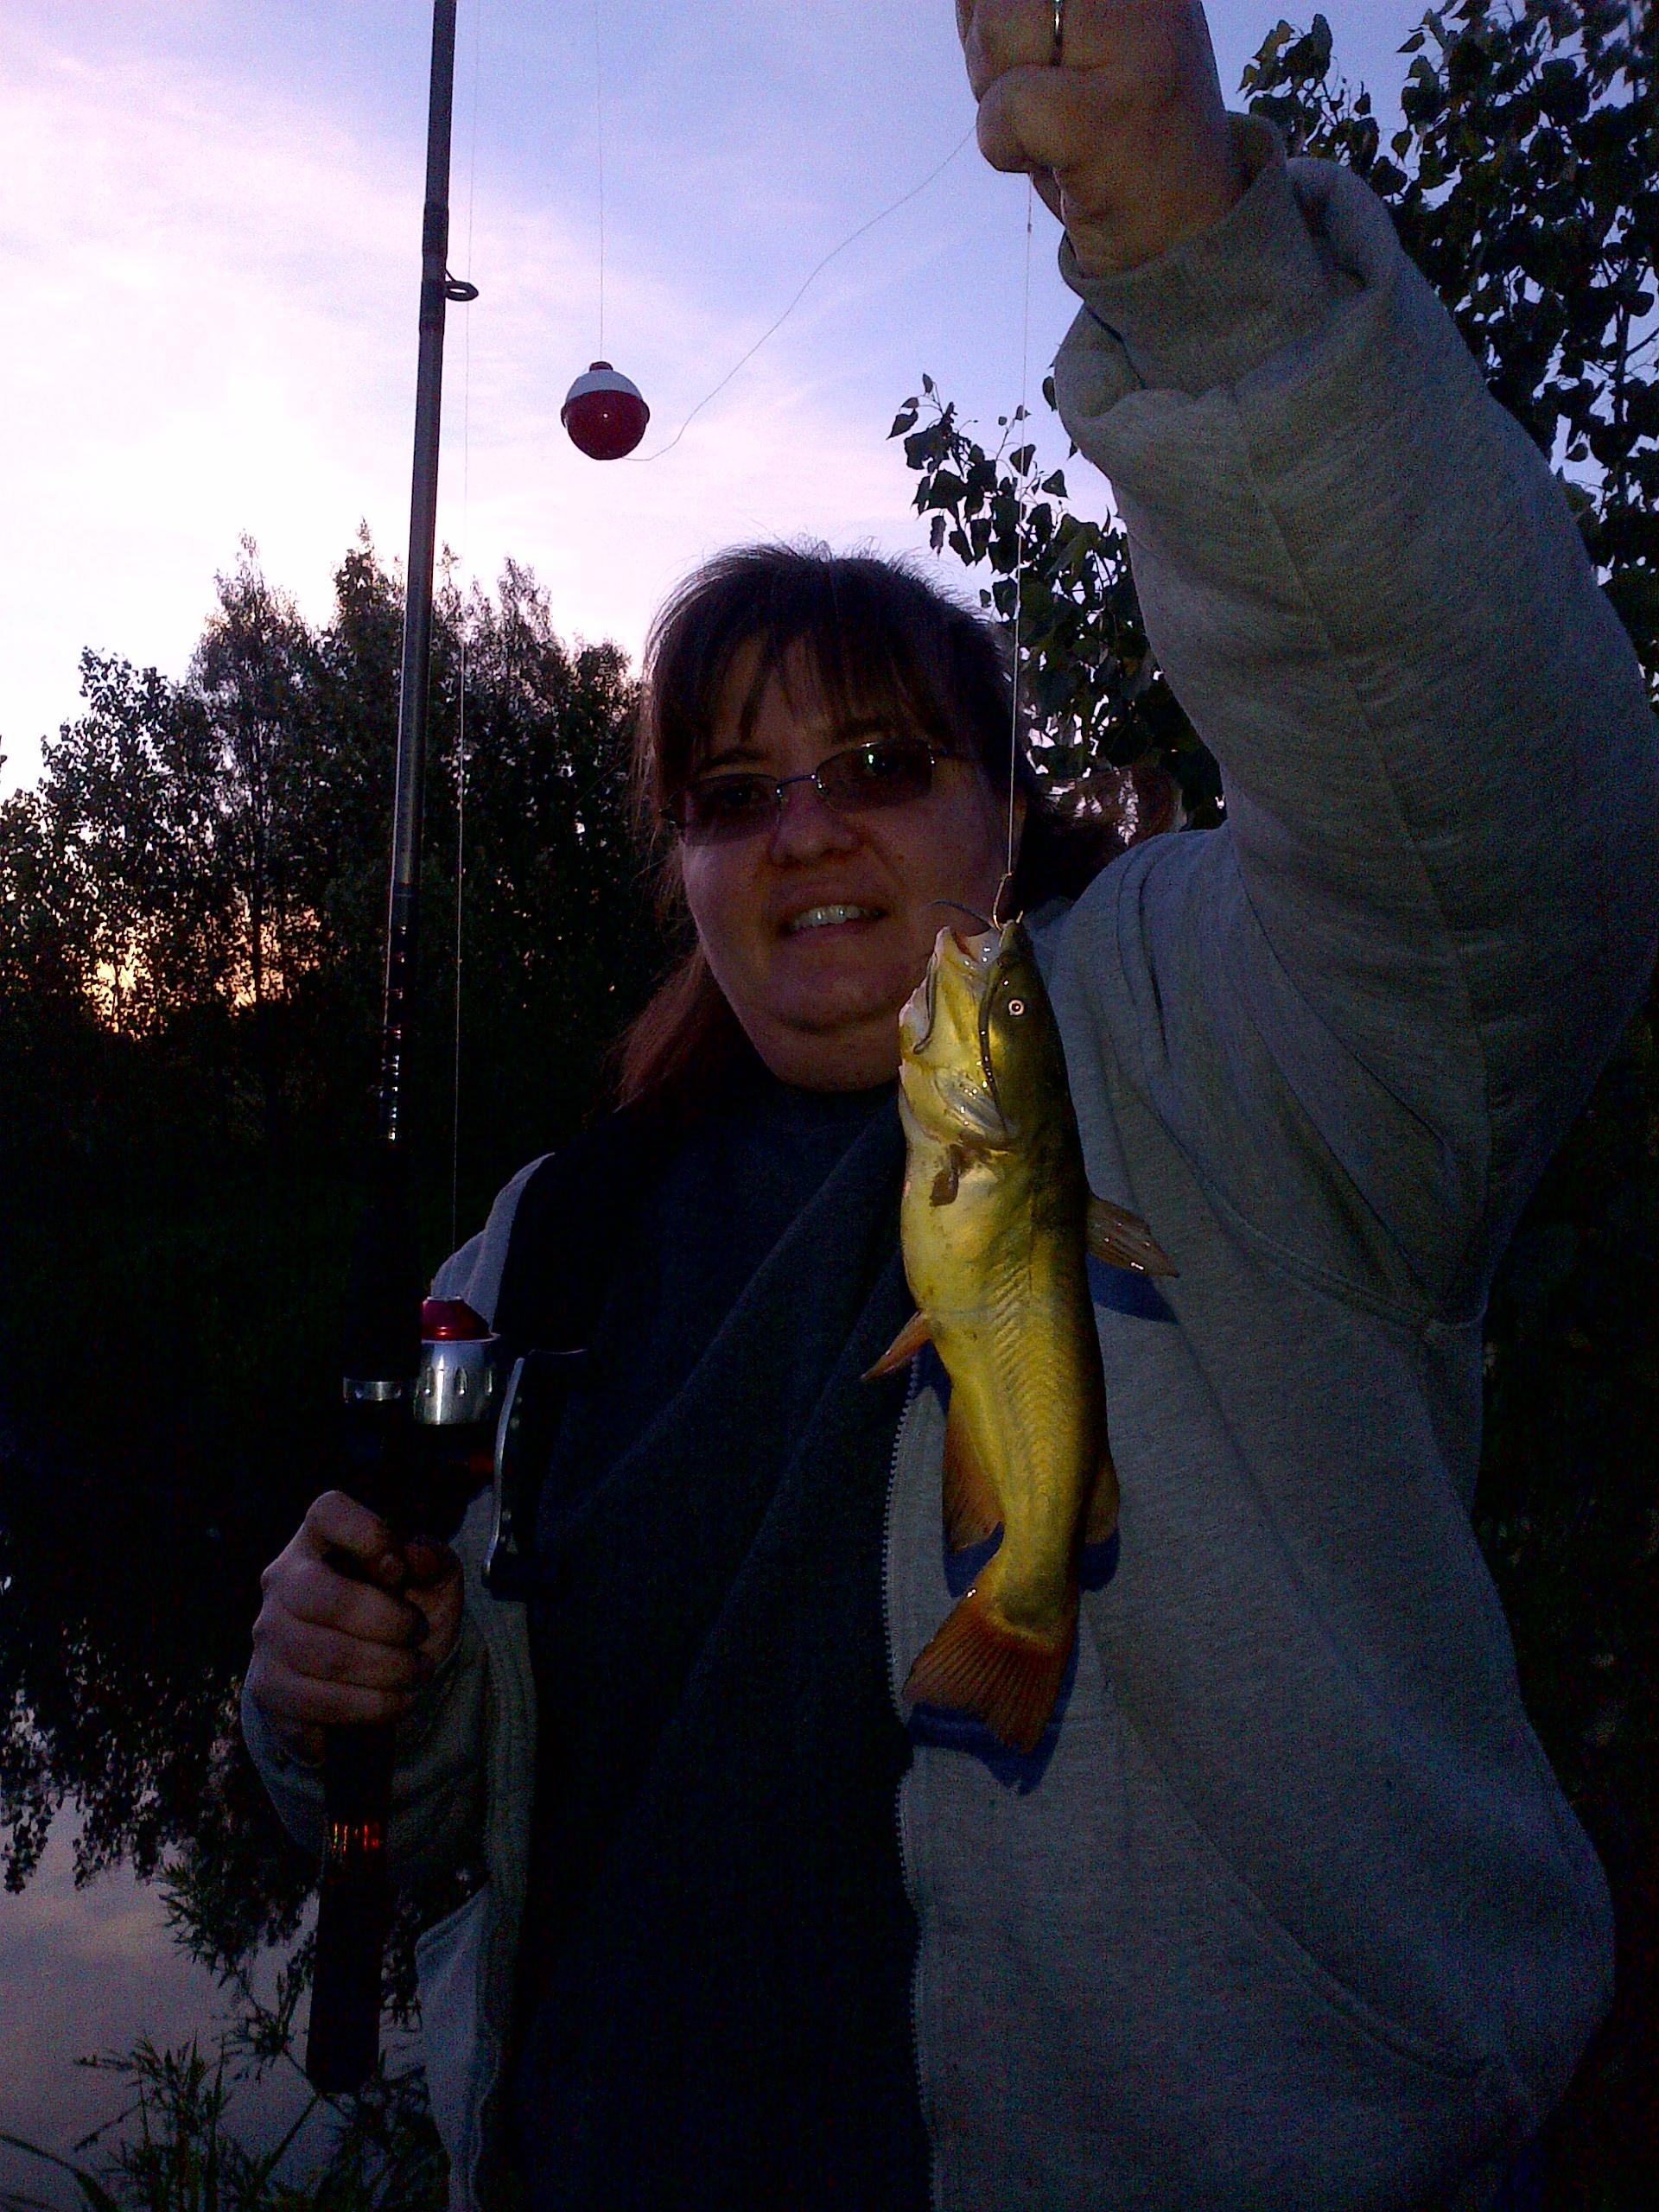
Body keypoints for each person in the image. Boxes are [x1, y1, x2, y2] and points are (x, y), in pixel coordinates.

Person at [243, 3, 1659, 2206]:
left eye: (885, 766)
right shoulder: (544, 1244)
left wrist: (1193, 251)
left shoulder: (1228, 1036)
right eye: (733, 793)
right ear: (686, 870)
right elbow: (454, 1816)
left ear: (1006, 814)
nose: (806, 828)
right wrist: (354, 1699)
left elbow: (1503, 815)